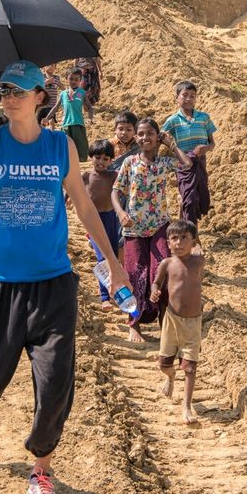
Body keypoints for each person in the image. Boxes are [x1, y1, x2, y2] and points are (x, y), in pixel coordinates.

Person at [0, 60, 128, 494]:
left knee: (55, 383)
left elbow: (85, 208)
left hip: (53, 281)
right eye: (3, 89)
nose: (8, 97)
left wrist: (114, 263)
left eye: (18, 90)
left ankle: (42, 472)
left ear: (40, 97)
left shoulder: (60, 146)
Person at [112, 119, 190, 342]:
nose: (145, 138)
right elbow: (116, 192)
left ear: (158, 137)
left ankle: (164, 322)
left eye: (150, 134)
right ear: (136, 138)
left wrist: (171, 144)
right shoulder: (130, 162)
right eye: (141, 134)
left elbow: (186, 165)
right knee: (135, 273)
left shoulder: (165, 163)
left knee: (162, 272)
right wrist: (120, 212)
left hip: (160, 226)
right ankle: (134, 324)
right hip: (134, 227)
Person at [152, 219, 205, 424]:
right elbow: (157, 282)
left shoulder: (199, 261)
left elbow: (202, 253)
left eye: (185, 238)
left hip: (193, 322)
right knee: (164, 364)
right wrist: (155, 291)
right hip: (171, 320)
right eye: (174, 238)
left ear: (193, 241)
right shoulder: (167, 264)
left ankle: (186, 406)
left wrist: (199, 248)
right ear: (168, 242)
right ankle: (170, 377)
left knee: (190, 367)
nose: (179, 242)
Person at [162, 80, 217, 225]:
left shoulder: (203, 118)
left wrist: (206, 148)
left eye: (192, 95)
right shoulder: (173, 120)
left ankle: (184, 224)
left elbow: (212, 143)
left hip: (200, 160)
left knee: (197, 194)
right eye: (184, 95)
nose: (188, 99)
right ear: (177, 98)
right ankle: (193, 235)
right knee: (189, 198)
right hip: (182, 163)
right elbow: (161, 137)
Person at [83, 140, 120, 309]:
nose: (101, 162)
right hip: (93, 221)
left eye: (106, 159)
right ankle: (105, 297)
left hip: (111, 218)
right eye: (98, 157)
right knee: (102, 258)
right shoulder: (85, 176)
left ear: (112, 160)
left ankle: (114, 291)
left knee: (112, 255)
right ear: (91, 157)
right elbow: (72, 192)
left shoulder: (114, 176)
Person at [44, 68, 88, 162]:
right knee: (65, 146)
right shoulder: (63, 94)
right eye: (71, 79)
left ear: (80, 81)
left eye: (76, 79)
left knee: (80, 147)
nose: (73, 81)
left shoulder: (82, 93)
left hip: (78, 123)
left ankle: (78, 164)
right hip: (66, 125)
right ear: (66, 79)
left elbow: (88, 106)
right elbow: (56, 107)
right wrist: (47, 118)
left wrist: (91, 114)